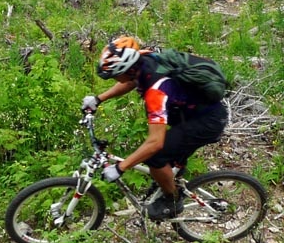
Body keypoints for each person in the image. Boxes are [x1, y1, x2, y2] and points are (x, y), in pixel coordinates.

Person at [81, 36, 228, 220]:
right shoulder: (143, 59)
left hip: (206, 121)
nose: (113, 79)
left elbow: (155, 142)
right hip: (189, 113)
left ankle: (172, 202)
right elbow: (131, 81)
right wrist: (98, 99)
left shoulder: (155, 93)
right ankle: (170, 178)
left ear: (127, 69)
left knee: (156, 157)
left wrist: (121, 167)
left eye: (114, 75)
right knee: (166, 155)